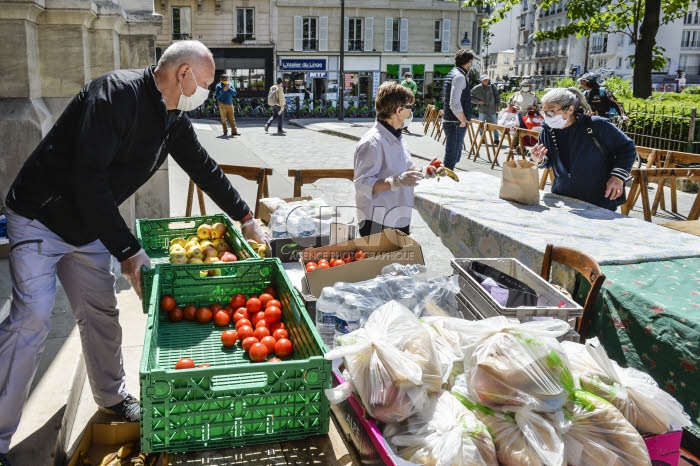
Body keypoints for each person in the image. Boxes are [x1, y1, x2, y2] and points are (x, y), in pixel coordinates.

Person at [0, 40, 270, 466]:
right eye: (204, 83)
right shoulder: (114, 96)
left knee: (100, 313)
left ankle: (111, 397)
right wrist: (128, 250)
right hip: (40, 216)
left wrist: (245, 216)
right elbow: (88, 178)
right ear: (182, 75)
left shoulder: (172, 119)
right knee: (32, 316)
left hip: (89, 226)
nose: (207, 92)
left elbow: (203, 167)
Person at [529, 87, 636, 211]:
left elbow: (627, 148)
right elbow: (549, 161)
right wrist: (539, 159)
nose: (546, 116)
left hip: (598, 201)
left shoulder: (597, 125)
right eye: (544, 112)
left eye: (551, 112)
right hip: (562, 199)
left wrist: (617, 178)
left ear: (569, 110)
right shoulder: (547, 131)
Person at [354, 81, 438, 237]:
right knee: (380, 261)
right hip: (377, 221)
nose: (411, 113)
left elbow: (403, 171)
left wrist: (424, 171)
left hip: (399, 215)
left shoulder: (397, 136)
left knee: (399, 260)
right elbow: (362, 184)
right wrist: (395, 181)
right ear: (399, 110)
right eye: (409, 108)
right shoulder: (372, 142)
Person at [441, 49, 475, 170]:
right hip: (455, 123)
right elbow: (454, 103)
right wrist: (463, 120)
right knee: (452, 158)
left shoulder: (452, 73)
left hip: (451, 121)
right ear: (469, 62)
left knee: (453, 155)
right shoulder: (459, 77)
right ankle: (445, 184)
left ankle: (446, 181)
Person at [471, 74, 501, 145]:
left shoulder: (492, 86)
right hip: (482, 109)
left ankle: (496, 139)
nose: (486, 81)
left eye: (487, 79)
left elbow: (497, 96)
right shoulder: (477, 88)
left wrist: (497, 105)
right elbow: (470, 97)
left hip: (492, 108)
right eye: (484, 80)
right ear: (481, 80)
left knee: (495, 124)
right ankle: (483, 138)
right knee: (481, 124)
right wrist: (478, 102)